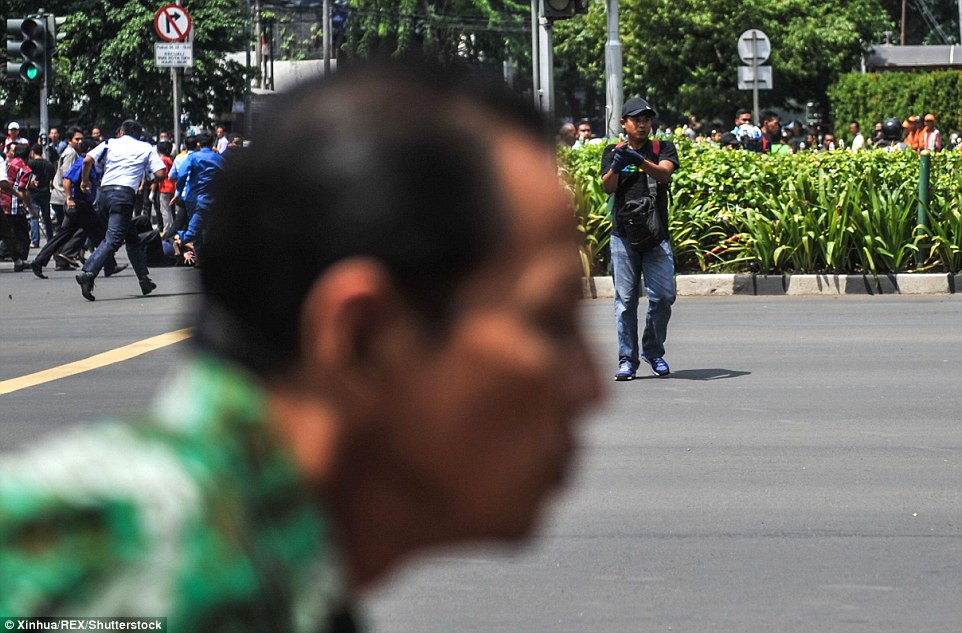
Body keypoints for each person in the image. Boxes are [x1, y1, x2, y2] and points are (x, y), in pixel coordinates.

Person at [0, 59, 602, 629]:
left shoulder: (259, 568)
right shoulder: (157, 576)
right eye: (550, 320)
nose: (592, 387)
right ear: (362, 338)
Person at [602, 97, 680, 380]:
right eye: (637, 119)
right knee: (625, 302)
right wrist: (617, 165)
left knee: (663, 297)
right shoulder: (613, 151)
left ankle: (653, 350)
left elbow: (664, 175)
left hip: (656, 236)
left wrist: (640, 160)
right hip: (622, 237)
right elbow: (606, 187)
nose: (643, 124)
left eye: (647, 119)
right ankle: (627, 359)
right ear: (624, 123)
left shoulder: (662, 148)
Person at [75, 120, 166, 301]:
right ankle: (88, 272)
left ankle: (144, 279)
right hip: (123, 197)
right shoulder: (145, 147)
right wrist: (147, 179)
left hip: (104, 195)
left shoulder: (110, 143)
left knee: (131, 237)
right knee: (114, 239)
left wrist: (85, 182)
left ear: (121, 132)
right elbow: (161, 173)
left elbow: (87, 160)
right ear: (139, 135)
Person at [29, 138, 126, 280]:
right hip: (78, 205)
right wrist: (69, 198)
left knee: (64, 235)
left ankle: (39, 261)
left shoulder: (91, 165)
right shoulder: (82, 162)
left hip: (80, 205)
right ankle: (109, 265)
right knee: (99, 233)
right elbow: (67, 180)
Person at [171, 130, 226, 261]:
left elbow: (182, 174)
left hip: (193, 198)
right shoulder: (219, 159)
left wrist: (179, 191)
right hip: (213, 198)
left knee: (195, 230)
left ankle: (180, 238)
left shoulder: (193, 157)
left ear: (198, 144)